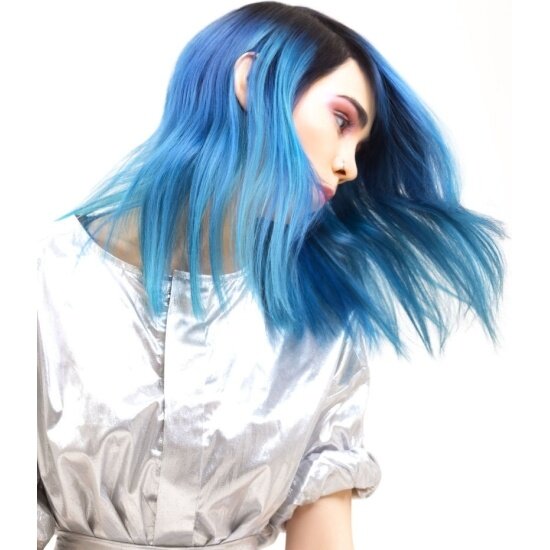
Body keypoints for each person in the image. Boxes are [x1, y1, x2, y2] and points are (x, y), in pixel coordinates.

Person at [37, 2, 506, 549]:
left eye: (359, 145)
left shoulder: (320, 320)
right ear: (253, 81)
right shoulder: (44, 277)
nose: (350, 166)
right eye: (341, 121)